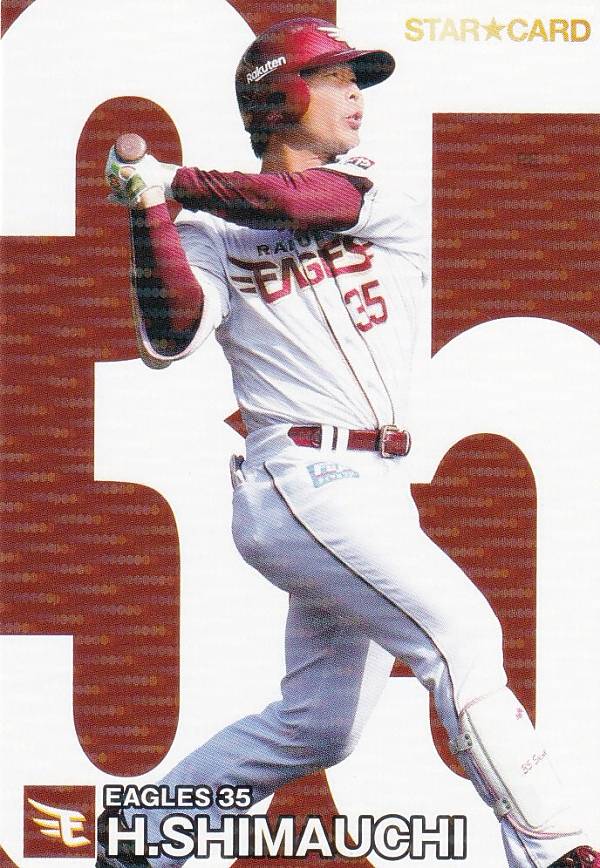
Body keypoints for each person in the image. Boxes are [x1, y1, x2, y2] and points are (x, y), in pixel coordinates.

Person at [98, 17, 598, 868]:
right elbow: (173, 334)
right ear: (281, 96)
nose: (355, 95)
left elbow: (306, 204)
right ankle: (557, 848)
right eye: (334, 79)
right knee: (463, 634)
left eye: (355, 79)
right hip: (300, 474)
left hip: (377, 485)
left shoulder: (372, 187)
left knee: (319, 726)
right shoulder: (210, 233)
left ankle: (143, 838)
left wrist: (171, 179)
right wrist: (149, 210)